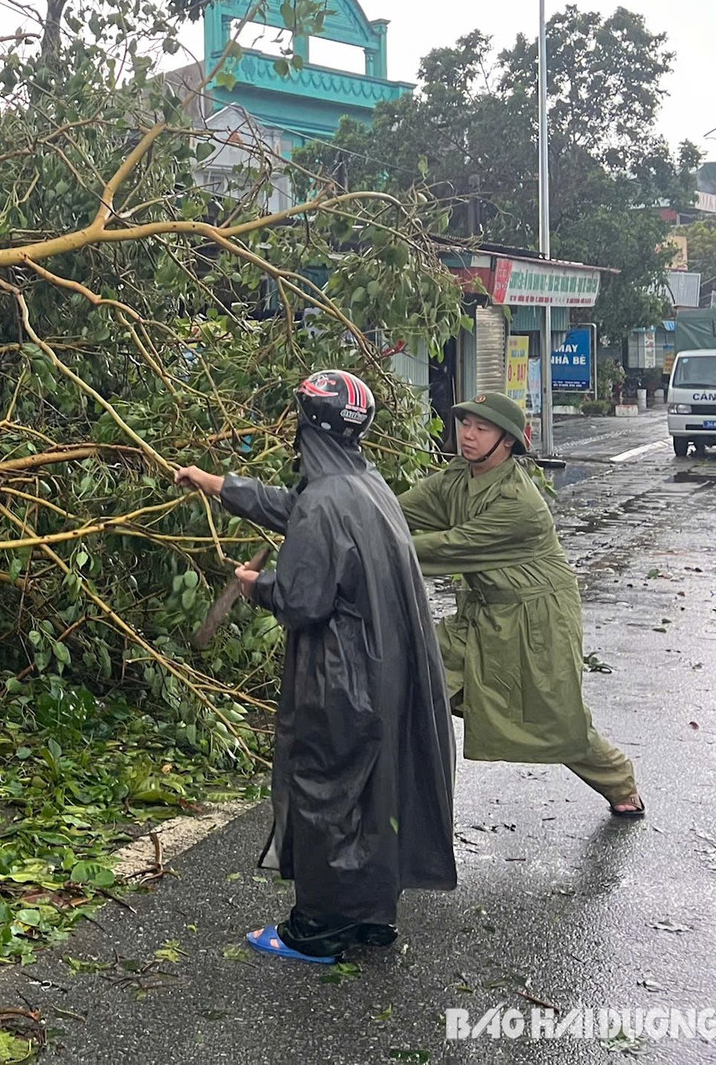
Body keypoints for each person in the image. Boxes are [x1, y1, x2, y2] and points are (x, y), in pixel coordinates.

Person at [176, 369, 457, 964]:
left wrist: (257, 586)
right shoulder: (364, 483)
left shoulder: (327, 501)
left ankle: (317, 930)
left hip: (341, 676)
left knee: (324, 789)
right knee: (368, 794)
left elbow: (303, 600)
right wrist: (215, 482)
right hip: (384, 668)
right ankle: (369, 918)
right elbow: (295, 508)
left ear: (306, 421)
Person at [398, 392, 644, 817]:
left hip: (539, 618)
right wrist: (337, 513)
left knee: (554, 718)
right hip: (484, 611)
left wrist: (362, 545)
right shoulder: (456, 478)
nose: (468, 435)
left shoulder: (519, 504)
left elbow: (450, 547)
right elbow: (393, 511)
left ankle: (618, 779)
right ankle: (405, 800)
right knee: (413, 673)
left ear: (507, 441)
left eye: (482, 428)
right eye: (465, 424)